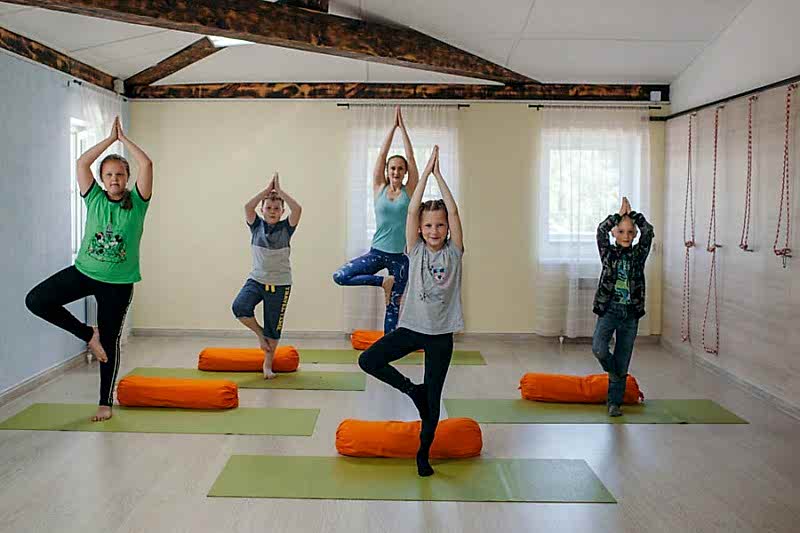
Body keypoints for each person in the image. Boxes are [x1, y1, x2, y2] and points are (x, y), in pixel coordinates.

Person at [25, 117, 153, 421]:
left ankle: (104, 403)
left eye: (120, 174)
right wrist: (110, 140)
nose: (114, 179)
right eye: (108, 174)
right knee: (36, 300)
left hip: (118, 284)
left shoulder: (138, 203)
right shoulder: (94, 197)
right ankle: (87, 333)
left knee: (110, 341)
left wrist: (124, 140)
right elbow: (82, 163)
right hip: (83, 273)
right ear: (102, 179)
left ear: (127, 177)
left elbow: (147, 164)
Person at [358, 146, 464, 477]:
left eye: (440, 226)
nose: (434, 230)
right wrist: (425, 174)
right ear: (420, 228)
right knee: (368, 360)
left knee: (433, 401)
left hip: (441, 336)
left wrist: (439, 176)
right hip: (412, 329)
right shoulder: (414, 249)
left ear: (447, 229)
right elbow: (411, 211)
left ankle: (423, 454)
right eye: (428, 225)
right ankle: (411, 390)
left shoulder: (455, 252)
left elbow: (455, 212)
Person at [333, 106, 419, 333]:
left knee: (393, 308)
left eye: (400, 169)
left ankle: (388, 349)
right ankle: (383, 282)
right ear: (387, 170)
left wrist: (403, 129)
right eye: (393, 168)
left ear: (405, 172)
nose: (396, 172)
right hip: (377, 252)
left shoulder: (410, 191)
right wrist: (392, 128)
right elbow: (381, 155)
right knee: (340, 276)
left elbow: (411, 158)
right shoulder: (379, 187)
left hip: (400, 258)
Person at [232, 172, 302, 379]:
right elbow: (247, 207)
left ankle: (267, 365)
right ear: (262, 210)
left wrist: (280, 192)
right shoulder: (256, 226)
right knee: (239, 307)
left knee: (274, 327)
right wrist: (266, 191)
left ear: (282, 211)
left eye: (276, 208)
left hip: (280, 284)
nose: (272, 211)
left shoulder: (287, 228)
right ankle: (260, 334)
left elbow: (298, 209)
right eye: (268, 208)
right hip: (256, 280)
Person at [591, 196, 654, 416]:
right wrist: (618, 216)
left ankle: (614, 403)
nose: (626, 236)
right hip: (609, 310)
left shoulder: (638, 255)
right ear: (614, 233)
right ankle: (616, 373)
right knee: (599, 348)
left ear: (634, 234)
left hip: (630, 314)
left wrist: (634, 215)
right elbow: (600, 230)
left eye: (630, 232)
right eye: (621, 231)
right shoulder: (608, 253)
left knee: (623, 357)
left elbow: (649, 232)